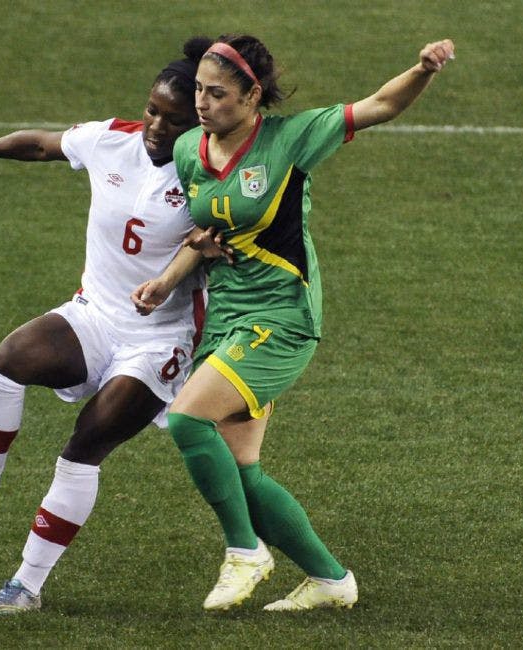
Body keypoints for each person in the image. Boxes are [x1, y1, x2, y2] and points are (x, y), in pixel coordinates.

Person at [132, 34, 456, 612]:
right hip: (227, 316)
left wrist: (422, 69)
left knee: (184, 421)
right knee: (241, 471)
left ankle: (245, 552)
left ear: (253, 96)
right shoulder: (189, 150)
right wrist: (166, 280)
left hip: (282, 317)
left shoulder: (291, 139)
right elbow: (208, 234)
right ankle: (331, 580)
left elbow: (379, 105)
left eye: (218, 94)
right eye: (200, 92)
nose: (203, 104)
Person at [0, 43, 214, 616]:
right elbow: (43, 145)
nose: (156, 126)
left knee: (82, 448)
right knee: (10, 359)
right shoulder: (112, 140)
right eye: (152, 110)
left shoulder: (209, 172)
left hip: (158, 342)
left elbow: (229, 247)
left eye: (174, 120)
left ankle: (26, 586)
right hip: (94, 315)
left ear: (196, 122)